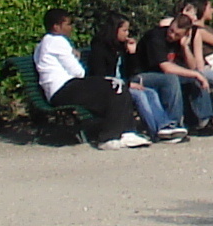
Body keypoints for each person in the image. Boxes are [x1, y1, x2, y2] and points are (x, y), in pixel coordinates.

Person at [34, 8, 148, 148]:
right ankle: (110, 136)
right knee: (114, 84)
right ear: (56, 27)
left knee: (115, 85)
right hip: (63, 89)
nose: (70, 28)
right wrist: (74, 56)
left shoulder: (43, 43)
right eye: (68, 24)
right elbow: (79, 72)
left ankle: (126, 132)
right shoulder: (57, 41)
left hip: (60, 90)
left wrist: (73, 55)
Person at [93, 16, 185, 140]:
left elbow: (132, 71)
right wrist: (127, 84)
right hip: (110, 87)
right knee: (139, 95)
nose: (127, 34)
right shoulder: (100, 48)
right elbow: (100, 76)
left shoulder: (121, 47)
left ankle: (166, 126)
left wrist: (132, 54)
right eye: (124, 30)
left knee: (150, 93)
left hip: (125, 82)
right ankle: (157, 130)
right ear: (115, 30)